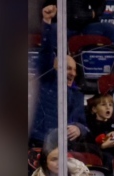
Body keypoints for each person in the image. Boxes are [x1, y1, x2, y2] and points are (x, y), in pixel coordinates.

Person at [29, 17, 88, 147]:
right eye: (68, 68)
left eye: (74, 70)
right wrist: (47, 23)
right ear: (55, 68)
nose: (72, 73)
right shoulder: (46, 81)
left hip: (64, 146)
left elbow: (83, 125)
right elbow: (46, 54)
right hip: (37, 143)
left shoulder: (78, 94)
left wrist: (79, 129)